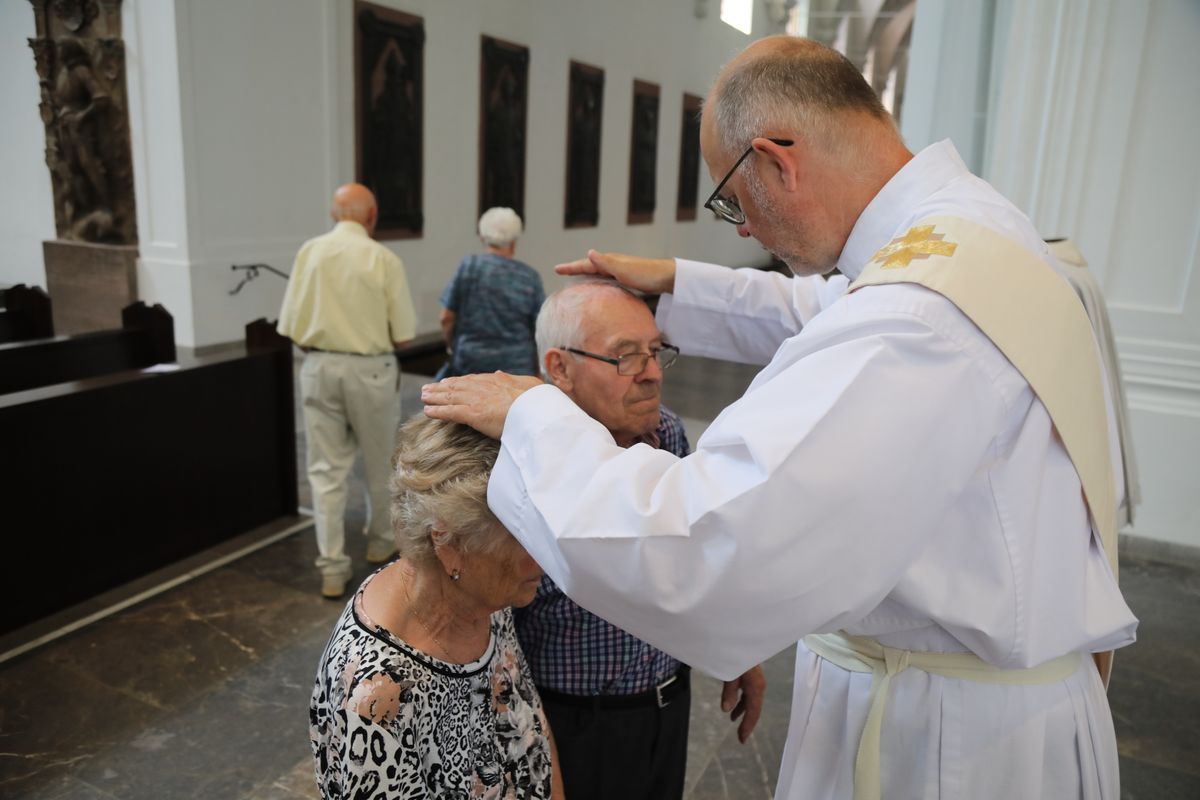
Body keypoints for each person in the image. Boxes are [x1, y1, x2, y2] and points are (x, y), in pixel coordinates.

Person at [422, 36, 1139, 800]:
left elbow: (701, 552)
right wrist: (673, 283)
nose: (740, 228)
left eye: (733, 198)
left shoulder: (916, 317)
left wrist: (535, 416)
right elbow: (828, 308)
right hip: (982, 710)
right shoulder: (964, 231)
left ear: (776, 160)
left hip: (944, 749)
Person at [513, 281, 766, 800]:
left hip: (666, 704)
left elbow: (693, 553)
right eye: (625, 357)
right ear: (558, 368)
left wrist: (738, 642)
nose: (652, 373)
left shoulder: (667, 435)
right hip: (571, 723)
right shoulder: (518, 463)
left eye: (654, 352)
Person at [310, 415, 564, 799]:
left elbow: (534, 733)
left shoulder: (485, 600)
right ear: (446, 541)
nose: (544, 556)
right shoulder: (379, 694)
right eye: (523, 537)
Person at [278, 183, 416, 599]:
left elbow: (291, 326)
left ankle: (332, 568)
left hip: (319, 366)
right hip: (371, 370)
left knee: (324, 472)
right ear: (371, 217)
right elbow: (404, 335)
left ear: (333, 215)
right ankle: (379, 543)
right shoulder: (384, 259)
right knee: (379, 465)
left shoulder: (310, 252)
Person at [436, 207, 545, 378]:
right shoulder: (529, 277)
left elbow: (446, 318)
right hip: (517, 370)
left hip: (470, 364)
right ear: (514, 242)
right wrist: (539, 372)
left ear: (482, 237)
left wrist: (454, 346)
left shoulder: (468, 268)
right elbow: (540, 329)